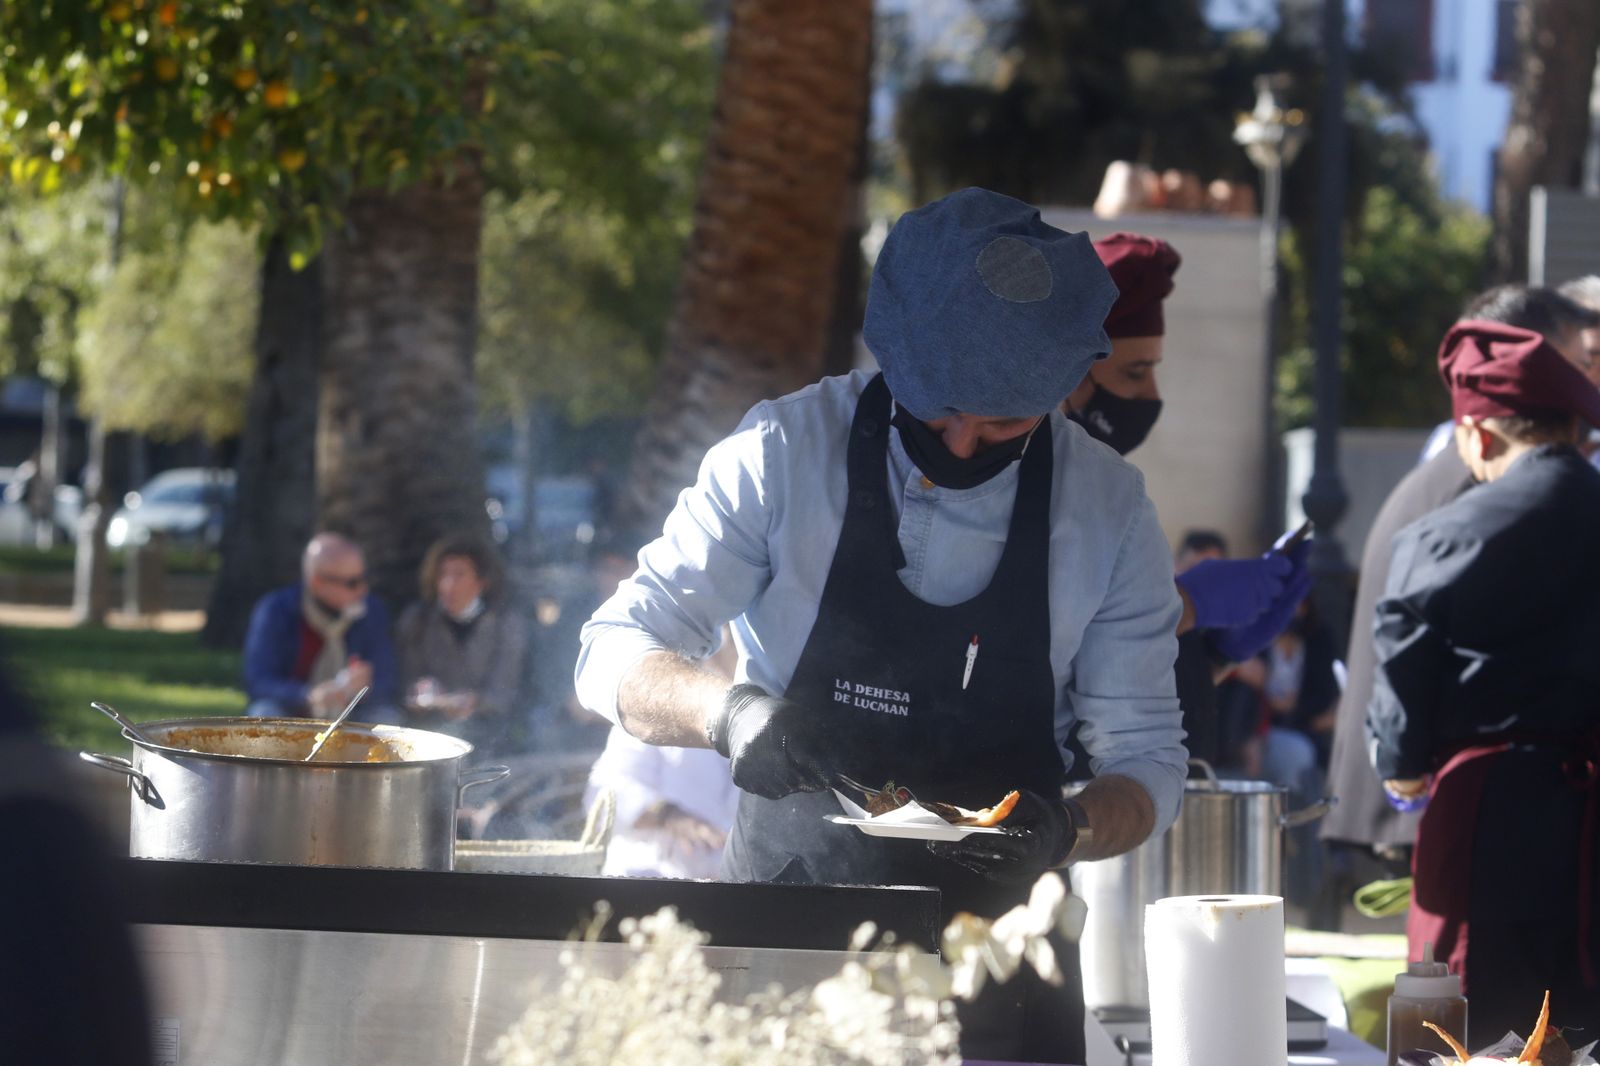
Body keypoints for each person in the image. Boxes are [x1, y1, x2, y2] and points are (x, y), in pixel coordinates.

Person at [576, 188, 1189, 1065]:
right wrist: (731, 714)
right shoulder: (783, 454)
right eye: (939, 409)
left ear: (1062, 388)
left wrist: (1071, 828)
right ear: (893, 353)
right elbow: (613, 647)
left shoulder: (1108, 511)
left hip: (1003, 967)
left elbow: (1148, 758)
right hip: (786, 949)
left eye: (1006, 420)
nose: (967, 444)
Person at [1367, 320, 1600, 1043]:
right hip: (1589, 822)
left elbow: (1400, 631)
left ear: (1479, 435)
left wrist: (1402, 767)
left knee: (1468, 1028)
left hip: (1490, 820)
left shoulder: (1448, 532)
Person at [1322, 285, 1600, 860]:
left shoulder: (1487, 490)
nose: (1586, 376)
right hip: (1465, 808)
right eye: (1583, 360)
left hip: (1470, 807)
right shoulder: (1470, 492)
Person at [1063, 232, 1312, 768]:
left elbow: (1117, 676)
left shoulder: (1099, 489)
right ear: (1067, 376)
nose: (1152, 395)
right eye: (1135, 371)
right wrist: (1184, 606)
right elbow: (1045, 650)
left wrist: (1211, 654)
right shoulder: (1022, 486)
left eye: (1155, 369)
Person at [395, 533, 528, 755]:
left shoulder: (506, 625)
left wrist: (474, 702)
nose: (448, 585)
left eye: (459, 575)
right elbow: (405, 681)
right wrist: (422, 691)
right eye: (443, 575)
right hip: (428, 729)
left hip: (490, 733)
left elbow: (504, 691)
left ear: (481, 582)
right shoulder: (417, 622)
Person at [242, 532, 398, 719]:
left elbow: (387, 680)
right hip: (291, 713)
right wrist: (308, 695)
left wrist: (365, 686)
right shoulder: (276, 610)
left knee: (386, 719)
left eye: (363, 578)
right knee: (264, 714)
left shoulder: (371, 611)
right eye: (352, 583)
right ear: (317, 582)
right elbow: (259, 681)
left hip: (352, 713)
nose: (362, 589)